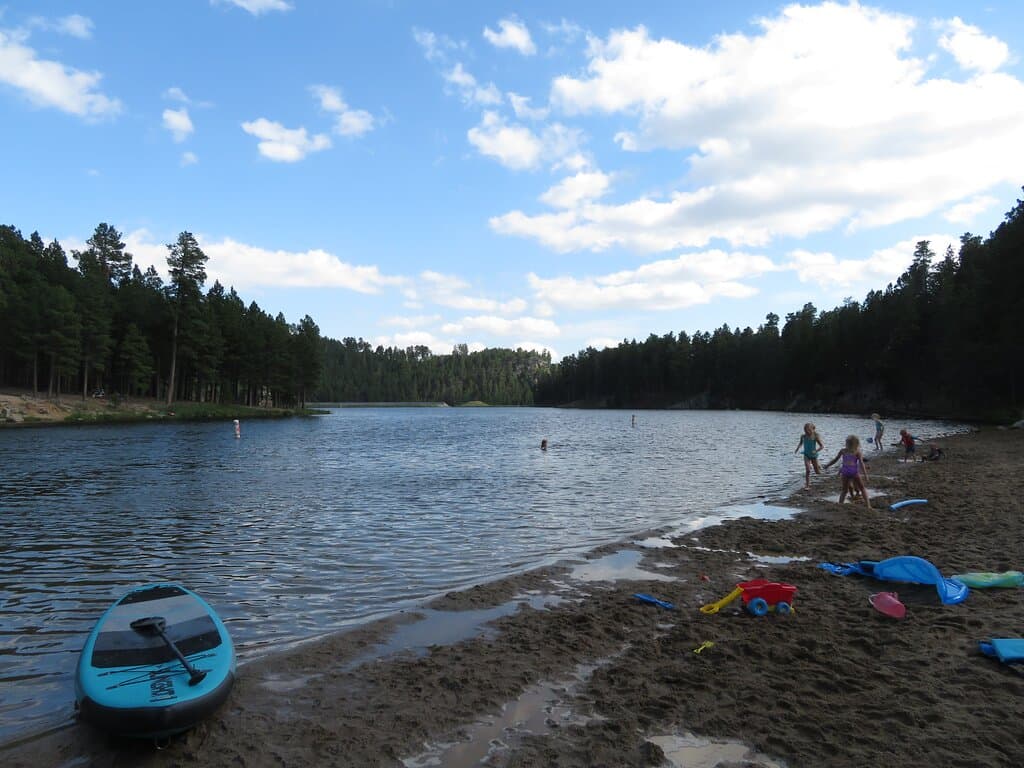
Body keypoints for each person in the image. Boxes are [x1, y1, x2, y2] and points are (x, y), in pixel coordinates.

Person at [824, 435, 871, 508]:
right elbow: (861, 464)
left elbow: (835, 460)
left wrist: (828, 465)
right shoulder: (857, 452)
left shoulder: (843, 451)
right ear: (856, 444)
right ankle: (868, 506)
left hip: (845, 472)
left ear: (847, 444)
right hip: (854, 472)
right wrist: (866, 475)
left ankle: (840, 505)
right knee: (862, 488)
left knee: (844, 491)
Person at [794, 422, 824, 489]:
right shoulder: (803, 436)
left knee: (817, 472)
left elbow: (822, 446)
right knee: (808, 470)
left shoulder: (815, 436)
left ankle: (819, 466)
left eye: (808, 430)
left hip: (813, 455)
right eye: (805, 430)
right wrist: (797, 448)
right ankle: (807, 485)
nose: (807, 432)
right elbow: (801, 443)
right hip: (806, 454)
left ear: (812, 429)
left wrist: (816, 451)